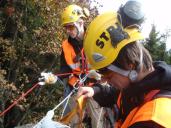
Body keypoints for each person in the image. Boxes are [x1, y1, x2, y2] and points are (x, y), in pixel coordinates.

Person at [77, 10, 171, 128]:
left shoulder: (153, 121)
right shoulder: (140, 87)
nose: (105, 80)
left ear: (129, 65)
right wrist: (95, 91)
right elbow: (117, 94)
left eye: (108, 75)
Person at [59, 4, 110, 128]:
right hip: (76, 87)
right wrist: (54, 77)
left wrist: (99, 73)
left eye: (71, 26)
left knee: (97, 121)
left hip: (95, 87)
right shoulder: (66, 45)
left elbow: (108, 61)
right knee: (74, 121)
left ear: (81, 23)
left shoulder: (96, 39)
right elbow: (64, 68)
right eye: (66, 27)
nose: (68, 31)